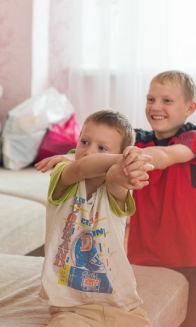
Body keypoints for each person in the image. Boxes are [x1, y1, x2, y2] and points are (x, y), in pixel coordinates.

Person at [36, 70, 196, 327]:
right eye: (150, 99)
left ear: (190, 107)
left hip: (189, 256)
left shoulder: (195, 138)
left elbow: (163, 156)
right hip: (142, 255)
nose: (155, 106)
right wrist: (71, 157)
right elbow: (96, 152)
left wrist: (129, 159)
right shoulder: (137, 142)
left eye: (166, 100)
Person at [39, 109, 154, 327]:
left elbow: (114, 177)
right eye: (84, 142)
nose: (88, 151)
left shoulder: (117, 185)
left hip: (121, 306)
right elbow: (81, 167)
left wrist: (127, 166)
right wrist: (125, 157)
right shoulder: (63, 173)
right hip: (71, 309)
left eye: (101, 148)